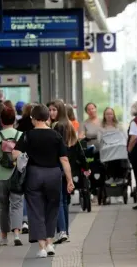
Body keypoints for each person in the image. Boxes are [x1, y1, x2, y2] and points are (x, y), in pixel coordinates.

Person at [12, 104, 74, 258]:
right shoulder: (56, 135)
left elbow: (15, 153)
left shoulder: (27, 135)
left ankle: (41, 248)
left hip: (34, 174)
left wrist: (21, 159)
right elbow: (64, 159)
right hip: (54, 175)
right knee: (52, 208)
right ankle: (50, 243)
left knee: (35, 210)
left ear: (33, 119)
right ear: (47, 118)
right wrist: (69, 180)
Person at [0, 106, 23, 246]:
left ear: (1, 121)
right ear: (14, 120)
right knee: (17, 204)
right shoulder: (21, 135)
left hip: (1, 175)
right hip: (17, 175)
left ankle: (4, 237)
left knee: (3, 207)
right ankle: (16, 234)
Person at [49, 99, 77, 243]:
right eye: (50, 110)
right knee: (64, 200)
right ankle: (65, 229)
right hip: (68, 165)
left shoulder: (56, 126)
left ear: (60, 111)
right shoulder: (69, 125)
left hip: (59, 164)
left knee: (58, 200)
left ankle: (62, 231)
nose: (51, 112)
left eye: (54, 110)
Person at [16, 103, 35, 234]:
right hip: (36, 162)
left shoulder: (21, 124)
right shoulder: (38, 126)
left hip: (24, 161)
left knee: (24, 193)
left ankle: (24, 220)